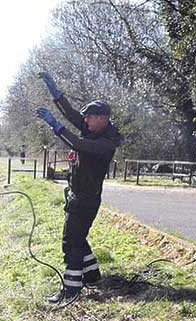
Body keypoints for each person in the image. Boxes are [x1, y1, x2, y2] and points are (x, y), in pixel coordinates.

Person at [35, 72, 123, 303]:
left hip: (85, 199)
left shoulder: (105, 143)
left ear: (102, 118)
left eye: (90, 118)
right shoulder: (94, 129)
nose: (85, 121)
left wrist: (56, 126)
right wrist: (55, 91)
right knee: (78, 237)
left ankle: (71, 290)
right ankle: (92, 276)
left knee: (70, 242)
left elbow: (80, 144)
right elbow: (72, 114)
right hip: (77, 196)